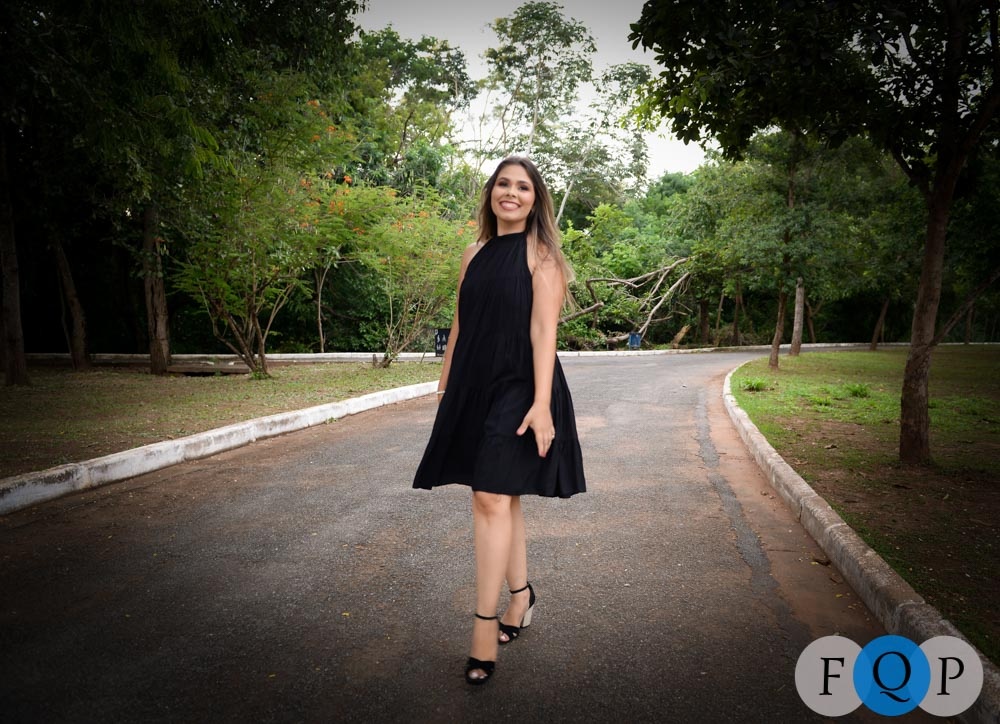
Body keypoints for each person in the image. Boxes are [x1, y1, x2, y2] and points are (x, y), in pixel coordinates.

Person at [413, 156, 586, 685]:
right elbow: (460, 324)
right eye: (503, 184)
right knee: (502, 495)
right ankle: (521, 597)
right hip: (474, 386)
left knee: (488, 496)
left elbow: (543, 333)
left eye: (523, 187)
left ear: (536, 200)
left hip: (521, 386)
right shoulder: (474, 253)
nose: (511, 193)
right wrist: (446, 388)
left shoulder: (542, 255)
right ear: (491, 193)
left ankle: (483, 628)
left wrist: (542, 404)